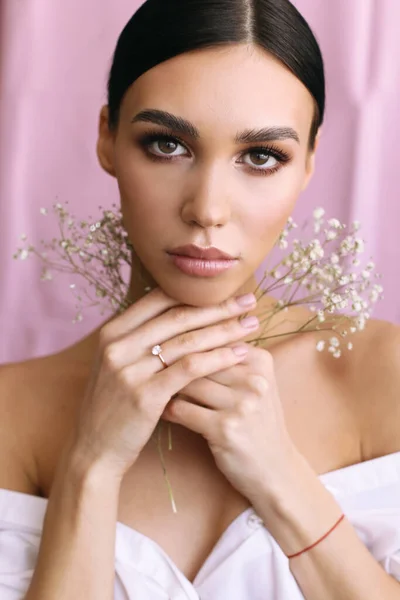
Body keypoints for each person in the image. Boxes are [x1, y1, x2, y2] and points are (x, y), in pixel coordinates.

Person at [1, 0, 400, 598]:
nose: (208, 209)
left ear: (310, 162)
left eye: (261, 157)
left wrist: (280, 477)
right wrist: (90, 462)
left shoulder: (382, 375)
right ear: (107, 138)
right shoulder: (12, 412)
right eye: (167, 145)